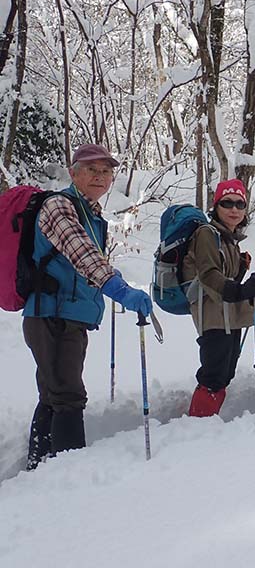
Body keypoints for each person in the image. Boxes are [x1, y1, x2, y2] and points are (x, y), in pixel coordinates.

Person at [24, 144, 153, 470]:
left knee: (55, 393)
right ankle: (69, 473)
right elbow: (83, 256)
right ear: (74, 173)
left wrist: (113, 280)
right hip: (51, 313)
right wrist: (119, 289)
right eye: (91, 169)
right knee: (67, 396)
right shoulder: (58, 206)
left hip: (70, 315)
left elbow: (83, 263)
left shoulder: (90, 214)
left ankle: (40, 469)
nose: (99, 176)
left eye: (106, 171)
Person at [183, 179, 255, 417]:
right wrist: (240, 291)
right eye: (227, 203)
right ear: (216, 205)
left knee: (225, 371)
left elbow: (229, 279)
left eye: (240, 204)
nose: (234, 209)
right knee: (215, 373)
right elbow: (209, 275)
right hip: (211, 314)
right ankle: (198, 423)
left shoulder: (229, 239)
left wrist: (251, 291)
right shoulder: (207, 234)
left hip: (229, 314)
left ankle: (205, 421)